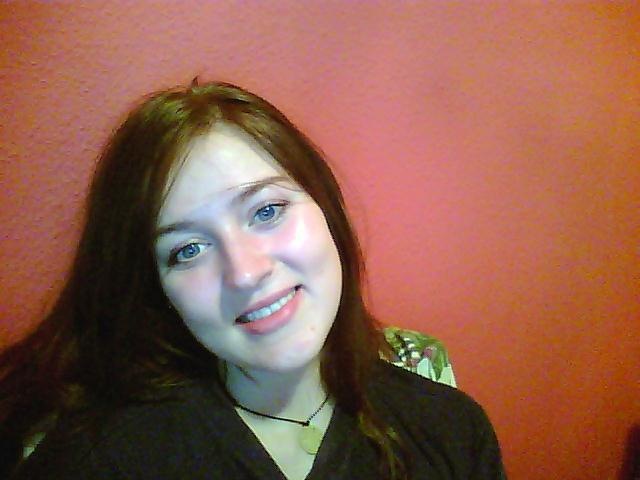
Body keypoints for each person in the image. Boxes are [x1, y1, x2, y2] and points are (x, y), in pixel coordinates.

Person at [0, 80, 506, 479]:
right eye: (188, 250)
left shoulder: (452, 430)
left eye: (267, 211)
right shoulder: (102, 459)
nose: (244, 272)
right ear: (159, 290)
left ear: (326, 210)